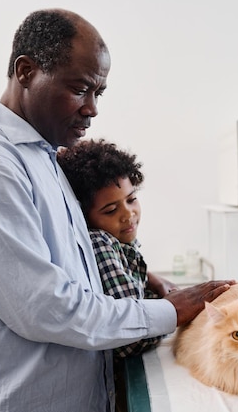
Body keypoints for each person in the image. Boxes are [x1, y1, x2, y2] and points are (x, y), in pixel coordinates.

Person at [0, 9, 233, 412]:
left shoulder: (44, 159)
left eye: (98, 93)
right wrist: (167, 312)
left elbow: (72, 265)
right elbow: (43, 307)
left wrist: (145, 277)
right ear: (26, 71)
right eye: (80, 89)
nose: (92, 108)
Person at [57, 138, 176, 411]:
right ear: (84, 217)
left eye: (132, 199)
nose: (128, 215)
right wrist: (175, 314)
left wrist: (152, 279)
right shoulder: (101, 243)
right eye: (111, 210)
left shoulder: (120, 239)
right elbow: (128, 338)